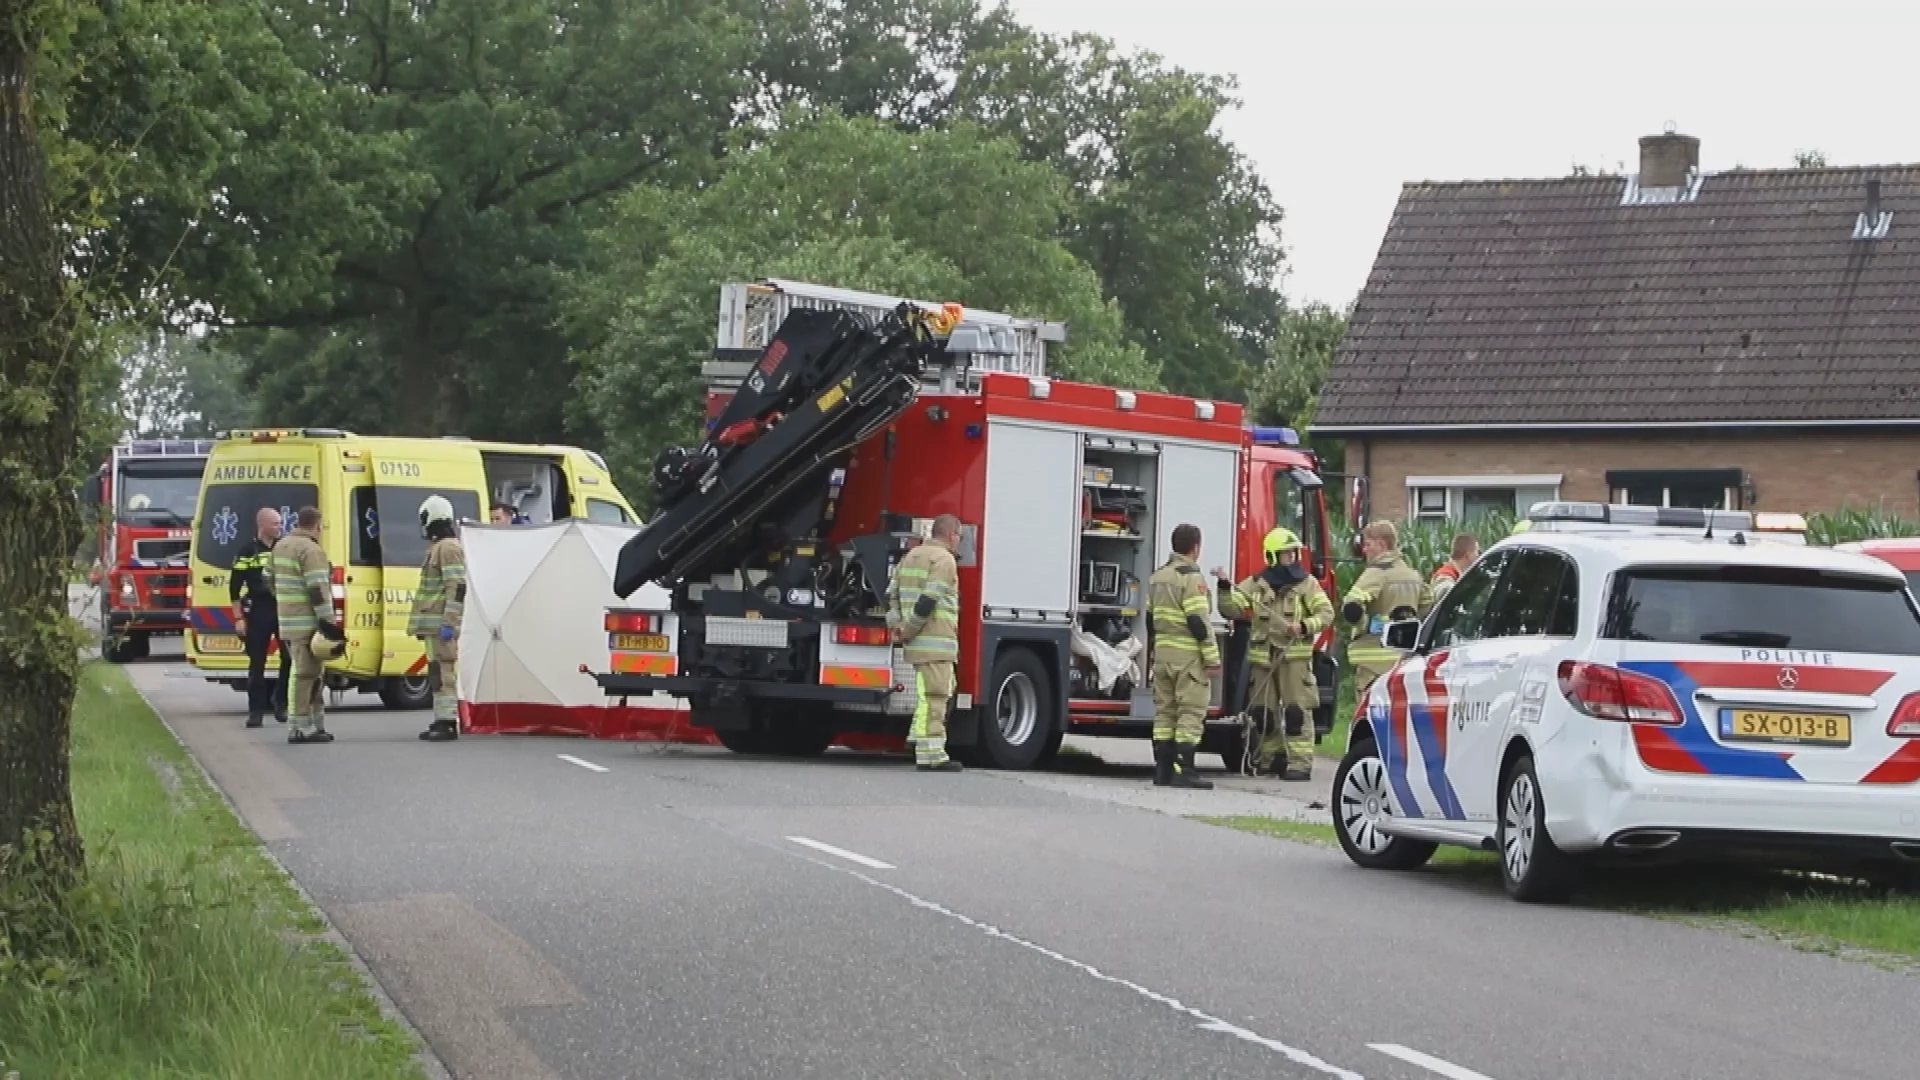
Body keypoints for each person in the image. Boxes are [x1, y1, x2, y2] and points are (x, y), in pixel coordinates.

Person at [1216, 528, 1333, 780]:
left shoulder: (1307, 584)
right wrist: (1225, 586)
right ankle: (1271, 760)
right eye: (1285, 554)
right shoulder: (1256, 584)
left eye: (1293, 554)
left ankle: (1300, 764)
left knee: (1296, 712)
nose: (1291, 559)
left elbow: (1326, 614)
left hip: (1294, 661)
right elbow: (1232, 609)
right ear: (1271, 556)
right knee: (1263, 714)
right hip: (1263, 661)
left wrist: (1302, 627)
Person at [886, 514, 963, 772]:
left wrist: (897, 626)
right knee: (937, 696)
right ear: (952, 534)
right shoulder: (944, 560)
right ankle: (934, 755)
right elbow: (929, 600)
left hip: (917, 644)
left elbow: (891, 595)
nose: (959, 542)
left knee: (927, 696)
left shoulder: (910, 556)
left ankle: (923, 746)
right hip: (936, 643)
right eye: (959, 537)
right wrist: (908, 629)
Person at [1148, 524, 1220, 789]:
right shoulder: (1191, 578)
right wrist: (1212, 658)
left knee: (1165, 713)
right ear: (1195, 548)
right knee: (1190, 711)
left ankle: (1162, 770)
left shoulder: (1158, 577)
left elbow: (1149, 618)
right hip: (1187, 656)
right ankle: (1184, 770)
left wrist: (1153, 651)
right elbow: (1198, 621)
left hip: (1162, 655)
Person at [272, 506, 340, 745]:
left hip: (287, 622)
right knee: (307, 674)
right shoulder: (311, 550)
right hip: (308, 624)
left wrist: (285, 602)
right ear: (317, 526)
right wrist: (328, 623)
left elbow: (268, 579)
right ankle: (301, 726)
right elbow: (318, 589)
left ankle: (315, 724)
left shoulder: (280, 546)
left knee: (310, 674)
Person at [1342, 520, 1431, 697]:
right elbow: (1427, 607)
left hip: (1373, 664)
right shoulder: (1412, 574)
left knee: (1370, 714)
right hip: (1404, 661)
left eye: (1368, 544)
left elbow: (1351, 607)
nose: (1364, 550)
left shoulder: (1376, 573)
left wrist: (1362, 624)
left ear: (1381, 545)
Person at [409, 495, 468, 742]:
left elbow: (458, 587)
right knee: (436, 673)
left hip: (441, 624)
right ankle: (441, 719)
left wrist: (449, 622)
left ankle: (447, 722)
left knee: (444, 673)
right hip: (433, 624)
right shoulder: (438, 547)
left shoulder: (448, 548)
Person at [231, 507, 289, 728]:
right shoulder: (247, 551)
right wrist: (239, 619)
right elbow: (234, 589)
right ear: (262, 525)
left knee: (289, 658)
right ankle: (255, 711)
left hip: (283, 608)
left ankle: (280, 701)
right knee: (257, 663)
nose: (279, 527)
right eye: (275, 523)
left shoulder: (284, 549)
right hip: (258, 609)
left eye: (280, 523)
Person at [1429, 532, 1480, 605]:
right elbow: (1444, 591)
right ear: (1468, 554)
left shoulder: (1456, 574)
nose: (1478, 556)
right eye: (1477, 552)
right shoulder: (1446, 577)